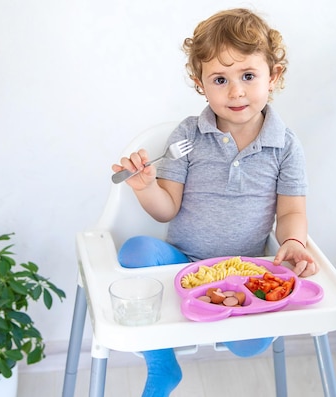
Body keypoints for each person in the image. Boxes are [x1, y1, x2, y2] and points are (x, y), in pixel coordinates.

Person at [111, 8, 319, 397]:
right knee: (135, 251)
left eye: (248, 76)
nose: (236, 91)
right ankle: (162, 365)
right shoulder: (188, 134)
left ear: (272, 77)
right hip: (184, 265)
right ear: (200, 84)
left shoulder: (286, 145)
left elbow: (291, 212)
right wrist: (145, 186)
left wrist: (293, 242)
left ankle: (234, 311)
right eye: (220, 79)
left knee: (250, 344)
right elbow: (166, 208)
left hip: (248, 271)